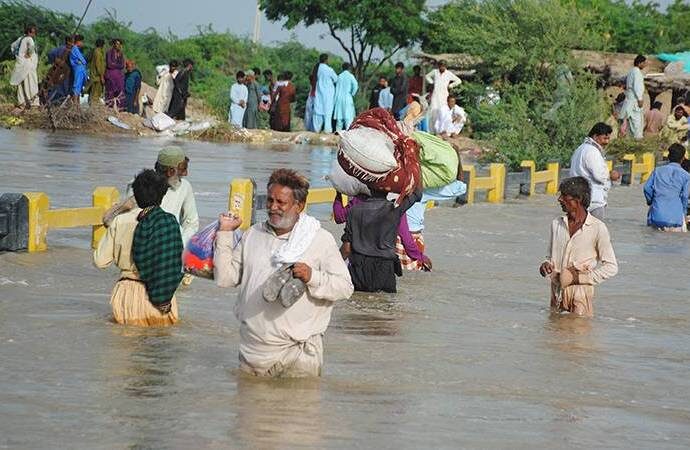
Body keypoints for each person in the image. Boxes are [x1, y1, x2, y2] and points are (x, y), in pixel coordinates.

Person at [214, 169, 353, 377]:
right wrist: (225, 233)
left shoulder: (319, 240)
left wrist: (312, 276)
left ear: (299, 206)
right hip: (252, 353)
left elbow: (345, 288)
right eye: (270, 201)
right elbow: (226, 278)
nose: (273, 207)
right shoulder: (253, 234)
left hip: (297, 356)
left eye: (281, 202)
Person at [94, 169, 181, 326]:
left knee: (126, 345)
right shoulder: (169, 223)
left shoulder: (120, 222)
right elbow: (176, 262)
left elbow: (100, 262)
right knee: (162, 345)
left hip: (128, 294)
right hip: (163, 296)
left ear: (135, 195)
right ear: (162, 196)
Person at [539, 177, 618, 317]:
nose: (560, 199)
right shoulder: (557, 224)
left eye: (564, 196)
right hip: (557, 295)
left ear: (578, 199)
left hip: (581, 296)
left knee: (579, 336)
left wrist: (580, 278)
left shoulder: (597, 228)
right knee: (554, 335)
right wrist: (546, 265)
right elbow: (549, 257)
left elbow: (611, 267)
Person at [340, 188, 422, 293]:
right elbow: (417, 194)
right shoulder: (394, 210)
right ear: (388, 190)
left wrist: (332, 265)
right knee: (385, 305)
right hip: (385, 270)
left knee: (358, 305)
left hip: (358, 270)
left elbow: (346, 249)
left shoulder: (354, 211)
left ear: (368, 188)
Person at [569, 123, 615, 221]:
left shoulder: (580, 149)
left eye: (608, 139)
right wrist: (610, 175)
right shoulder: (592, 152)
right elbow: (599, 175)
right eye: (604, 138)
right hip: (593, 201)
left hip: (579, 199)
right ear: (595, 136)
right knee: (595, 233)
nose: (607, 142)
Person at [643, 144, 690, 232]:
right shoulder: (686, 176)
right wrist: (683, 214)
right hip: (676, 219)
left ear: (668, 156)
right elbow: (684, 196)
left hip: (656, 216)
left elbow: (647, 188)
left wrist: (651, 201)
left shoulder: (657, 171)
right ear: (683, 159)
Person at [426, 60, 461, 133]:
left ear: (446, 66)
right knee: (433, 111)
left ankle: (443, 130)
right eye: (441, 65)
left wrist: (451, 85)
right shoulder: (435, 72)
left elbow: (458, 81)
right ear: (439, 66)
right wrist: (432, 82)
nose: (442, 67)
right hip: (435, 95)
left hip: (444, 95)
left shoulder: (448, 73)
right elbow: (427, 76)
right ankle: (432, 130)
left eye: (444, 66)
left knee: (443, 112)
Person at [9, 25, 39, 108]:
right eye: (33, 32)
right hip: (28, 65)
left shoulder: (20, 38)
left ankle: (21, 103)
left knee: (21, 84)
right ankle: (34, 104)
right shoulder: (29, 39)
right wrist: (28, 54)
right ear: (29, 32)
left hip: (20, 64)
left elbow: (12, 46)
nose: (34, 34)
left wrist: (18, 55)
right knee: (31, 84)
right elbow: (32, 49)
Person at [620, 54, 647, 139]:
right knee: (637, 124)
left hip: (630, 100)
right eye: (644, 63)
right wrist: (640, 99)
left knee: (631, 124)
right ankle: (636, 141)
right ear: (639, 63)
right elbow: (637, 86)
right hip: (634, 101)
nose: (645, 65)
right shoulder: (636, 72)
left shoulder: (631, 71)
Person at [313, 53, 338, 133]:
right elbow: (336, 79)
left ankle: (316, 131)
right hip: (328, 94)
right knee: (327, 114)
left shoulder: (317, 68)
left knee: (318, 113)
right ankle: (327, 132)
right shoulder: (329, 69)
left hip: (319, 93)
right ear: (326, 60)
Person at [333, 63, 358, 131]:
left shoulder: (339, 76)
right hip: (347, 98)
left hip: (338, 99)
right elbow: (355, 85)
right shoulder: (350, 76)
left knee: (339, 119)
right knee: (348, 118)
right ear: (349, 68)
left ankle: (338, 134)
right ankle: (348, 134)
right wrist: (352, 94)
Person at [105, 38, 125, 110]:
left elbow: (122, 65)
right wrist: (117, 65)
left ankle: (120, 108)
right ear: (113, 44)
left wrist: (115, 65)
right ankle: (109, 107)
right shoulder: (109, 52)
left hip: (119, 76)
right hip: (110, 75)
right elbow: (109, 64)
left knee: (120, 92)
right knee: (110, 92)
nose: (118, 46)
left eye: (119, 44)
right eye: (117, 44)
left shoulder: (121, 54)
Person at [69, 34, 88, 103]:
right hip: (78, 69)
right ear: (78, 41)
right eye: (82, 42)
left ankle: (77, 103)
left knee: (79, 87)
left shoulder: (78, 49)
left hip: (81, 69)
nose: (82, 43)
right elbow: (82, 61)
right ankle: (75, 104)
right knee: (76, 86)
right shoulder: (74, 49)